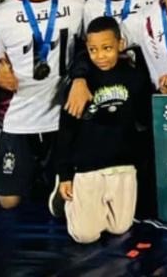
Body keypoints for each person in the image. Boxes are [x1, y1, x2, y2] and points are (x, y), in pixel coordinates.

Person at [0, 0, 86, 210]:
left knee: (69, 198)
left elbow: (88, 50)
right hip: (19, 119)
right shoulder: (2, 15)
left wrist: (80, 78)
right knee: (8, 202)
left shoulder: (76, 4)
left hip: (62, 120)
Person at [54, 17, 154, 244]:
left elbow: (143, 121)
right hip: (88, 166)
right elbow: (66, 130)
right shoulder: (80, 83)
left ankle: (92, 206)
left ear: (120, 44)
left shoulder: (135, 77)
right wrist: (65, 174)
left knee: (120, 227)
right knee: (85, 235)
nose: (100, 56)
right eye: (93, 50)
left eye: (107, 48)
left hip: (122, 165)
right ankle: (69, 202)